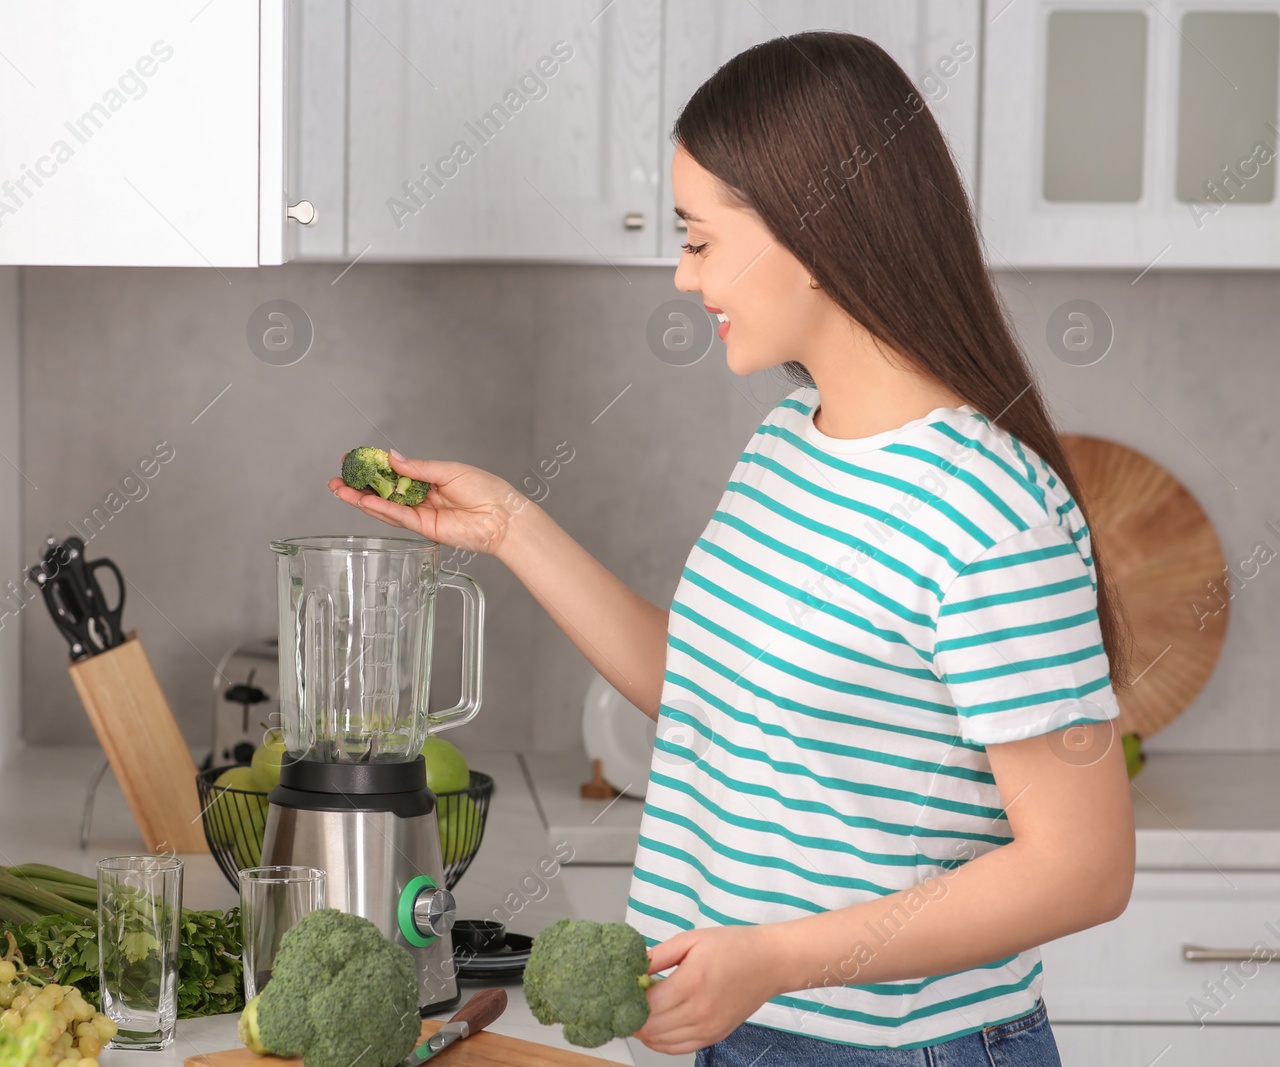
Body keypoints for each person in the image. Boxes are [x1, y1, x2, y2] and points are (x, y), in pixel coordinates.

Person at [328, 30, 1135, 1067]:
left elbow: (1082, 867)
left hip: (903, 1052)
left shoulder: (988, 512)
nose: (679, 274)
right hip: (750, 1034)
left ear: (813, 235)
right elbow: (705, 684)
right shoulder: (786, 446)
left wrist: (771, 959)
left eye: (700, 240)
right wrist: (507, 528)